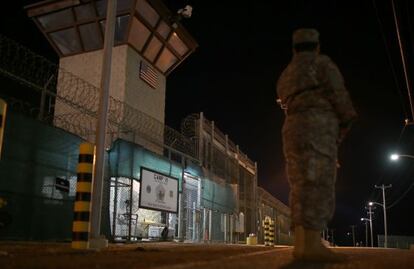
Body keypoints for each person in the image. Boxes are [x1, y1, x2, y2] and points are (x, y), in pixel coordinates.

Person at [276, 28, 357, 262]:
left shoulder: (286, 74)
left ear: (294, 48)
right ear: (317, 46)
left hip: (292, 129)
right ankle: (311, 246)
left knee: (299, 183)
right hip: (318, 127)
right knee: (319, 183)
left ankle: (301, 244)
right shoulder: (322, 65)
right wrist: (343, 123)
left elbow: (284, 99)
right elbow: (341, 100)